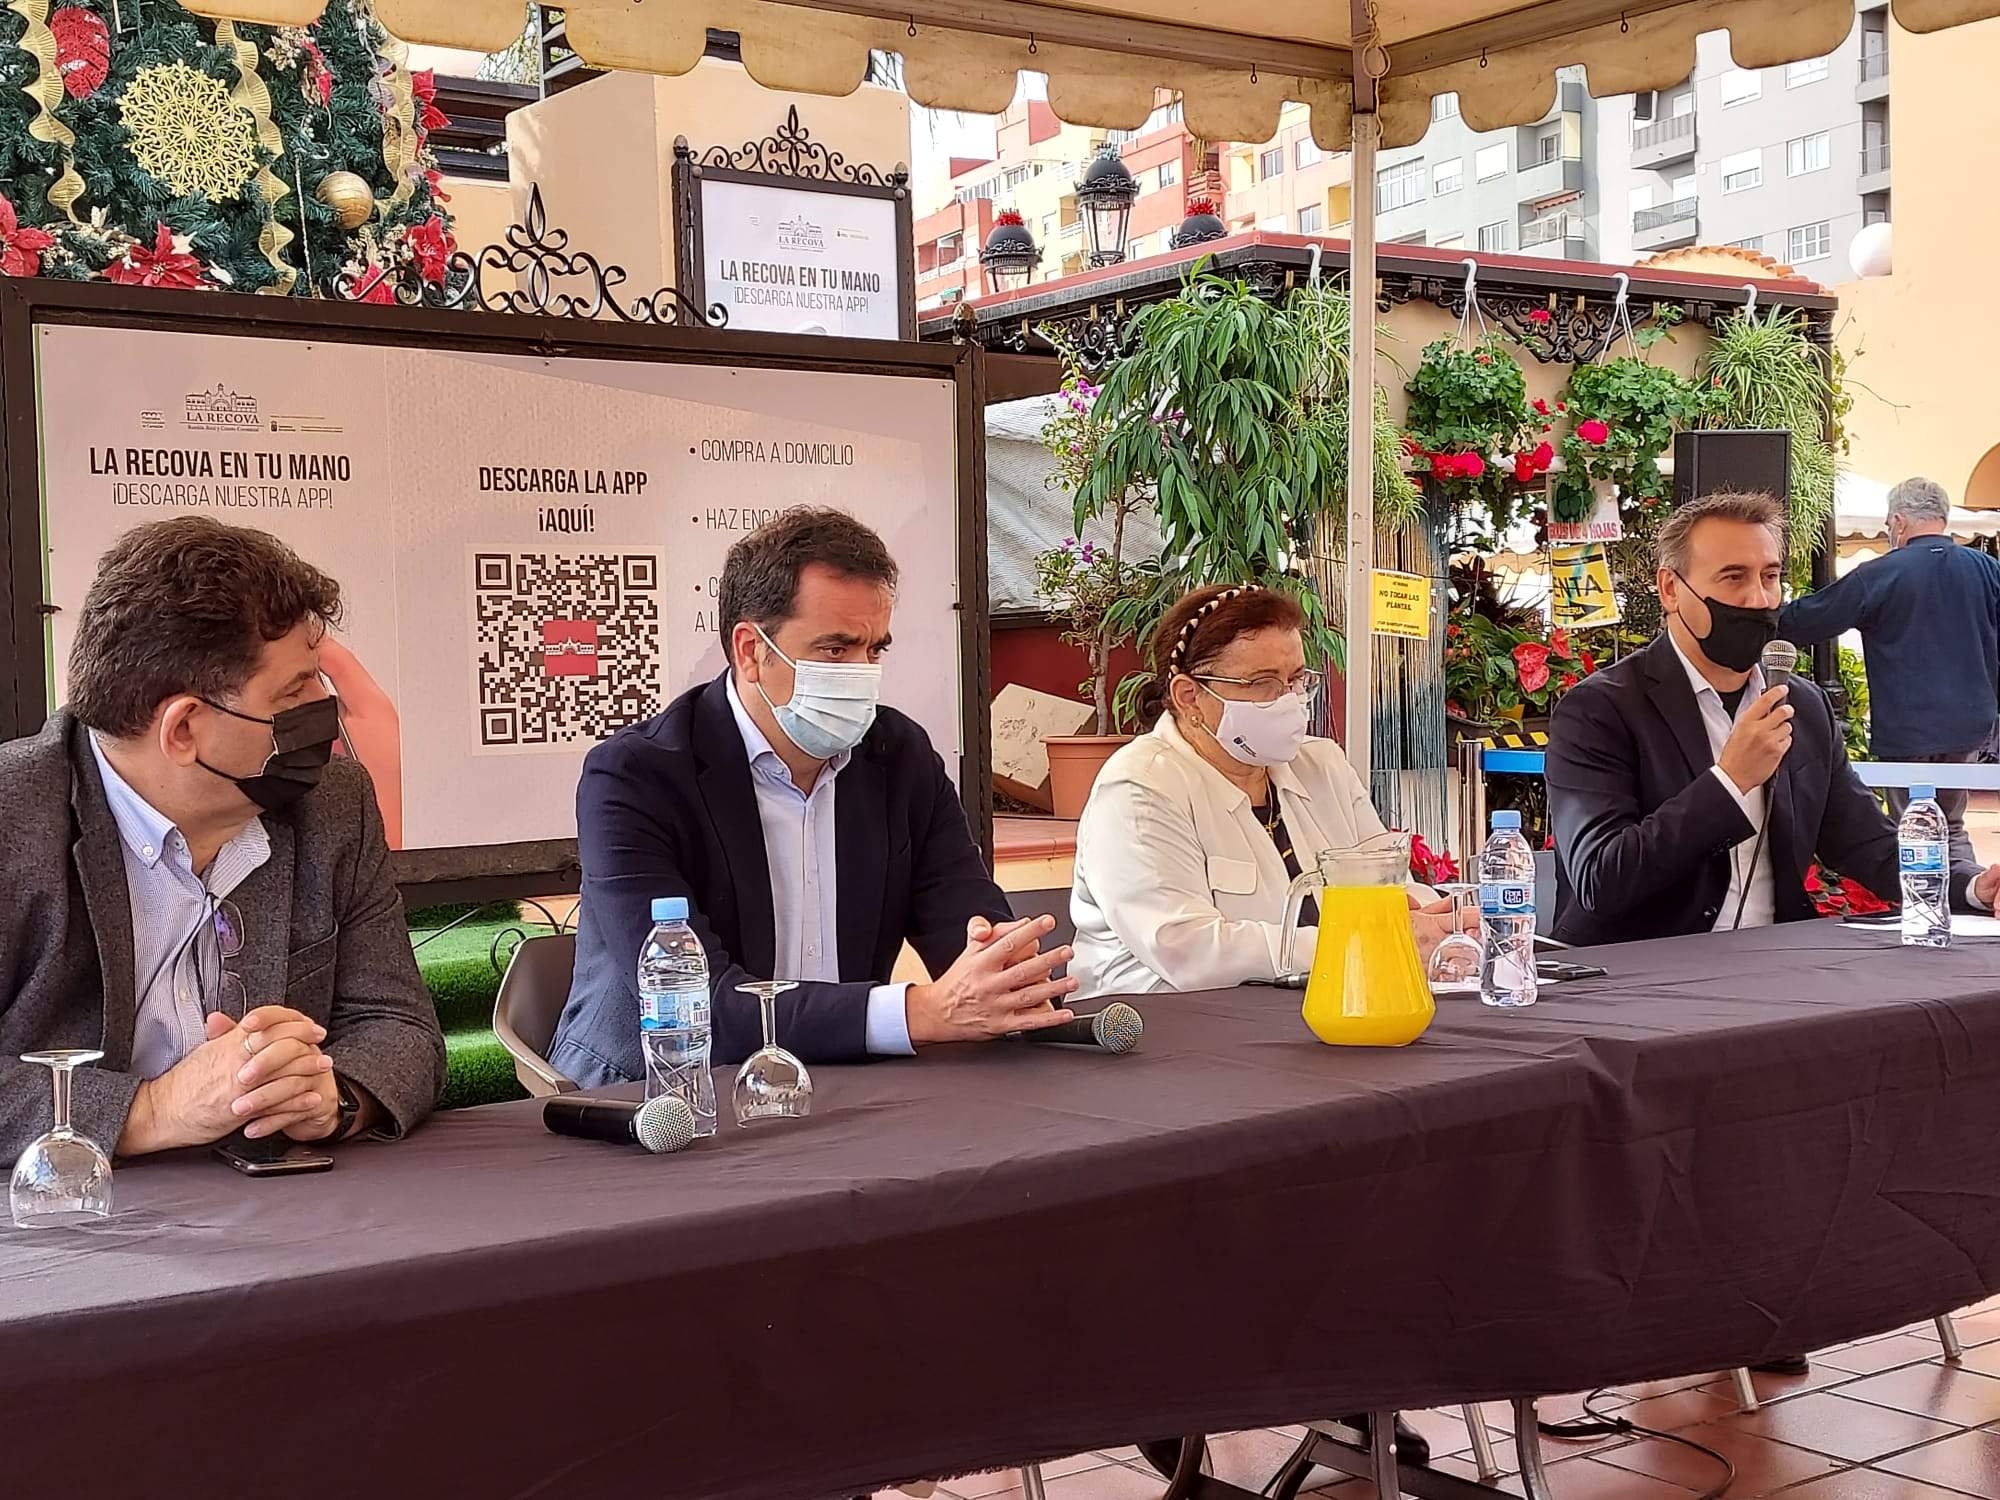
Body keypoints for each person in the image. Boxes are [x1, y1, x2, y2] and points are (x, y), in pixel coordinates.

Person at [552, 507, 1076, 1088]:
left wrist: (1000, 965)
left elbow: (970, 927)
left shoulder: (898, 756)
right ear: (750, 651)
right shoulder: (634, 777)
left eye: (875, 650)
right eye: (835, 650)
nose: (862, 673)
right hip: (659, 1096)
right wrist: (919, 1012)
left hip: (843, 1085)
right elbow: (699, 1009)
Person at [0, 518, 446, 1161]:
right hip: (64, 1210)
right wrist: (155, 1109)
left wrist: (331, 1096)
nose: (322, 703)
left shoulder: (333, 803)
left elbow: (401, 1026)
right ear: (183, 729)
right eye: (294, 689)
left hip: (276, 1202)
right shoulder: (14, 817)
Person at [1547, 490, 2000, 949]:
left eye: (1770, 576)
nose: (1758, 598)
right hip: (1633, 972)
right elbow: (1600, 879)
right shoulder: (1599, 710)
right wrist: (1729, 781)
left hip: (1774, 965)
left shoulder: (1802, 705)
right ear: (1670, 589)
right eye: (1733, 577)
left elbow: (1865, 843)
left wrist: (1971, 887)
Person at [1070, 583, 1471, 999]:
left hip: (1323, 1004)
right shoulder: (1138, 789)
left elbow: (1389, 885)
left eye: (1297, 679)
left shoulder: (1321, 765)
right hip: (1162, 1021)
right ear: (1189, 696)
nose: (1291, 699)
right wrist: (1369, 941)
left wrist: (1437, 923)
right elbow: (1188, 952)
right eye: (1264, 683)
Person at [1778, 476, 2000, 869]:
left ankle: (1918, 900)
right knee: (1951, 825)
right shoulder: (1987, 569)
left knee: (1911, 826)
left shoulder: (1880, 573)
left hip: (1906, 726)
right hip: (1970, 723)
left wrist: (1760, 612)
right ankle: (1969, 895)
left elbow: (1808, 620)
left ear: (1898, 521)